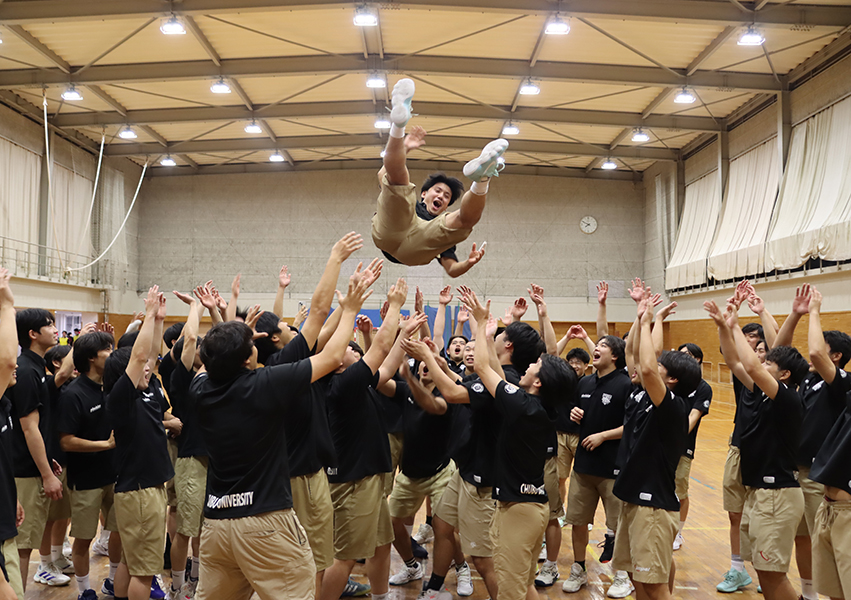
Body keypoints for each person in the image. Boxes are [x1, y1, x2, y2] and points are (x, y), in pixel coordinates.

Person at [191, 265, 374, 600]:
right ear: (248, 359)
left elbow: (211, 357)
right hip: (264, 521)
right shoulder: (265, 384)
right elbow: (333, 355)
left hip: (216, 525)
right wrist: (349, 309)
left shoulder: (200, 388)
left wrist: (226, 326)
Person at [466, 288, 576, 600]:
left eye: (535, 367)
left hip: (518, 511)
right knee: (526, 587)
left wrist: (479, 323)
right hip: (531, 507)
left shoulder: (524, 406)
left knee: (510, 592)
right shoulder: (535, 406)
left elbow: (484, 370)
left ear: (538, 382)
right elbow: (500, 376)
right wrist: (490, 336)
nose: (529, 365)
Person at [706, 298, 809, 600]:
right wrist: (724, 327)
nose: (761, 365)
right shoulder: (760, 393)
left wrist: (735, 324)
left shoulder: (787, 398)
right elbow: (735, 362)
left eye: (769, 364)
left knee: (774, 578)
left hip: (776, 495)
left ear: (785, 374)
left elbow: (749, 362)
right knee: (766, 574)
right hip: (759, 493)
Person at [611, 286, 699, 600]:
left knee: (654, 584)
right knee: (638, 578)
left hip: (652, 507)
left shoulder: (672, 406)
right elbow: (637, 356)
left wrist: (648, 317)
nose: (647, 369)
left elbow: (648, 365)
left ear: (671, 380)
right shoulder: (642, 394)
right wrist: (641, 318)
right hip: (634, 500)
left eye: (662, 369)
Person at [371, 78, 506, 276]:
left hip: (416, 249)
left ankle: (482, 178)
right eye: (438, 191)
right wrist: (405, 146)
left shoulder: (441, 225)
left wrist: (469, 262)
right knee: (397, 181)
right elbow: (383, 172)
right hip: (389, 231)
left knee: (463, 221)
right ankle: (399, 122)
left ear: (445, 205)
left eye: (446, 197)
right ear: (424, 193)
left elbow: (452, 270)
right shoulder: (411, 205)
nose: (442, 197)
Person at [103, 287, 174, 600]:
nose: (148, 367)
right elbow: (141, 355)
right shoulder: (121, 397)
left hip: (146, 487)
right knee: (144, 572)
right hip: (140, 491)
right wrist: (146, 315)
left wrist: (158, 320)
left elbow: (151, 356)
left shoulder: (146, 390)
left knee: (132, 563)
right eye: (141, 367)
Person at [562, 332, 633, 597]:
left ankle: (622, 575)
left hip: (613, 467)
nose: (596, 348)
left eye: (603, 345)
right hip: (583, 467)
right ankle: (579, 568)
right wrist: (574, 414)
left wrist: (604, 435)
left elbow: (633, 425)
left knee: (618, 525)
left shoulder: (625, 385)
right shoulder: (585, 383)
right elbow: (577, 413)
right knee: (578, 521)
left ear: (615, 356)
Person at [56, 330, 120, 600]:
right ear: (93, 358)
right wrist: (104, 445)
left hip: (116, 475)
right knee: (83, 538)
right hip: (85, 479)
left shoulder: (113, 385)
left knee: (118, 532)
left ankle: (114, 581)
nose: (113, 353)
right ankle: (85, 592)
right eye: (108, 349)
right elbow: (66, 441)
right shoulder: (73, 394)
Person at [9, 307, 65, 590]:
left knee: (25, 544)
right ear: (33, 334)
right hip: (25, 472)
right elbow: (29, 428)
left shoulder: (36, 368)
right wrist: (46, 474)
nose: (56, 329)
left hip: (34, 468)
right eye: (49, 325)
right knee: (21, 547)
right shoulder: (27, 371)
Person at [0, 269, 29, 600]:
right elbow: (8, 360)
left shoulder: (5, 404)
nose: (15, 365)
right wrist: (7, 304)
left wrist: (12, 497)